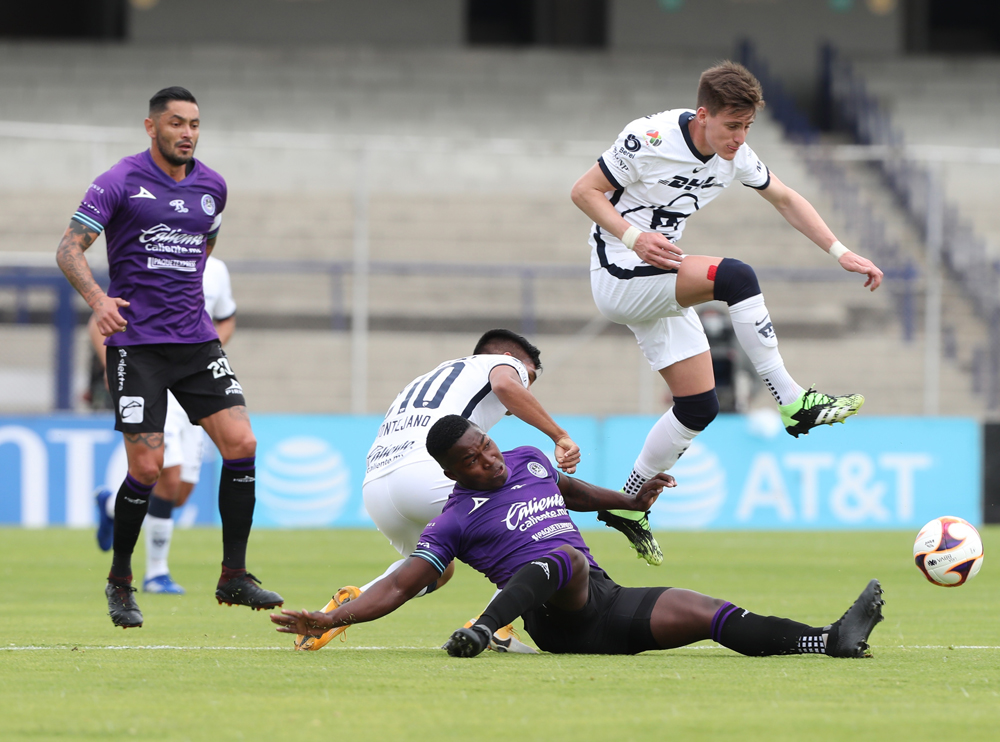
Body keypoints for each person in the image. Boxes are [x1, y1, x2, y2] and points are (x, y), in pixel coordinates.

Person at [569, 61, 884, 566]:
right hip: (620, 269)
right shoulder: (647, 138)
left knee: (698, 408)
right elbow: (583, 191)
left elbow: (784, 197)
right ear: (703, 115)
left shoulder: (735, 156)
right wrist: (634, 237)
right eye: (732, 126)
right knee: (735, 276)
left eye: (748, 127)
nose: (740, 138)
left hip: (659, 275)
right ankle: (792, 400)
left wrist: (839, 251)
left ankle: (628, 505)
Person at [271, 415, 885, 660]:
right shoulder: (453, 519)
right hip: (555, 617)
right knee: (563, 558)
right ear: (453, 472)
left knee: (710, 612)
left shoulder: (528, 457)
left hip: (605, 603)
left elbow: (575, 494)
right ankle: (487, 629)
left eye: (486, 444)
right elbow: (405, 583)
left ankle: (828, 641)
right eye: (474, 459)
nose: (490, 459)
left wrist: (631, 501)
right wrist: (334, 618)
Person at [56, 86, 281, 629]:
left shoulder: (212, 187)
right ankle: (121, 581)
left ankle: (234, 575)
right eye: (177, 123)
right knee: (149, 468)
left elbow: (204, 247)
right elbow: (68, 248)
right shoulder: (118, 181)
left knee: (243, 444)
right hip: (138, 347)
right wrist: (99, 300)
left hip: (197, 343)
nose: (187, 133)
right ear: (151, 126)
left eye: (195, 124)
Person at [293, 329, 581, 653]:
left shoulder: (434, 375)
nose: (523, 390)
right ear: (510, 359)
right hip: (426, 472)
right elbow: (504, 385)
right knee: (535, 522)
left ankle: (350, 603)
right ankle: (498, 625)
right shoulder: (501, 365)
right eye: (528, 378)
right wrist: (559, 435)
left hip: (376, 484)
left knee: (435, 570)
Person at [92, 255, 239, 595]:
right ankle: (156, 573)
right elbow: (98, 320)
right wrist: (113, 368)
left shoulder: (216, 270)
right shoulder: (149, 261)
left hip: (195, 382)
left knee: (180, 491)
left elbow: (227, 318)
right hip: (153, 380)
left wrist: (204, 352)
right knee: (166, 477)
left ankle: (112, 505)